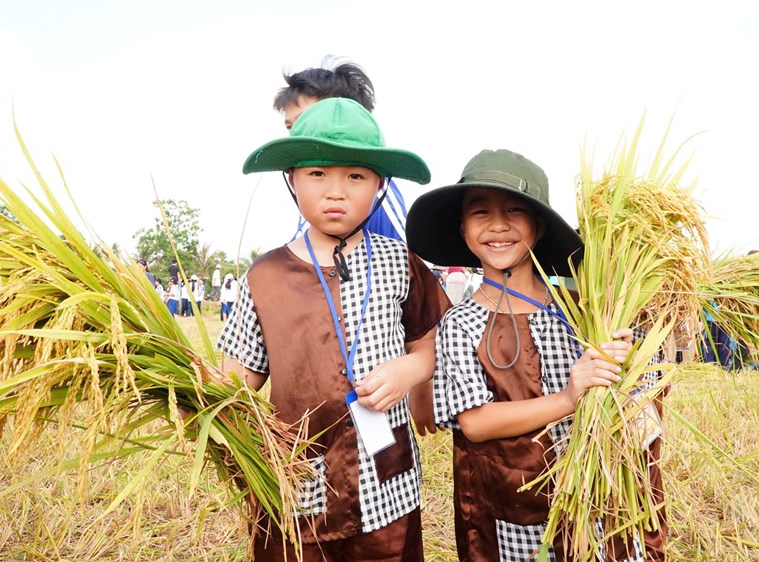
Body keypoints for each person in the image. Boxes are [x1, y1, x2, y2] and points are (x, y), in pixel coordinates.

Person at [217, 98, 450, 561]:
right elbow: (237, 381)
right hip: (299, 482)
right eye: (317, 174)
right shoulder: (263, 278)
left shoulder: (400, 262)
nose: (336, 191)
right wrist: (201, 396)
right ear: (292, 180)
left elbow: (429, 344)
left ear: (379, 184)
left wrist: (408, 371)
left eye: (356, 176)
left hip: (387, 483)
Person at [406, 149, 664, 561]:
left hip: (598, 499)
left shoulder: (588, 310)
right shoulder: (460, 324)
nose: (497, 225)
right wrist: (567, 399)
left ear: (538, 225)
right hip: (512, 509)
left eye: (514, 210)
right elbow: (475, 422)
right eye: (480, 212)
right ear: (462, 227)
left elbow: (641, 392)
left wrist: (627, 362)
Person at [275, 58, 410, 243]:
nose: (299, 134)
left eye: (309, 120)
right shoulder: (311, 194)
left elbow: (408, 261)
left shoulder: (378, 196)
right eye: (291, 128)